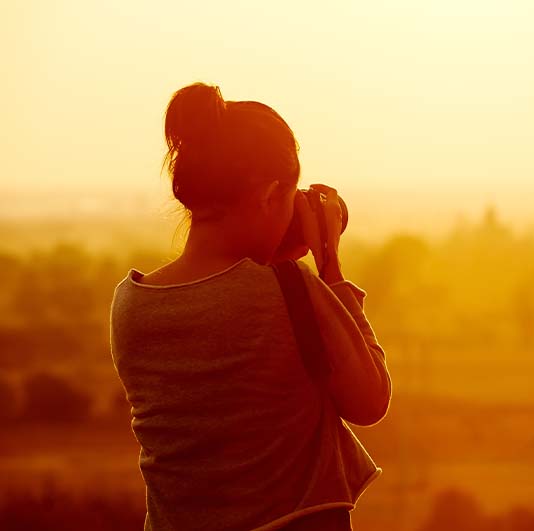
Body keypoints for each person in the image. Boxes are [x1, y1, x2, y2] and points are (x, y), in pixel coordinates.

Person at [109, 82, 392, 531]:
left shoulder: (131, 304)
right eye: (288, 197)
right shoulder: (287, 288)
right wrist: (329, 265)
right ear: (266, 196)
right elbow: (370, 399)